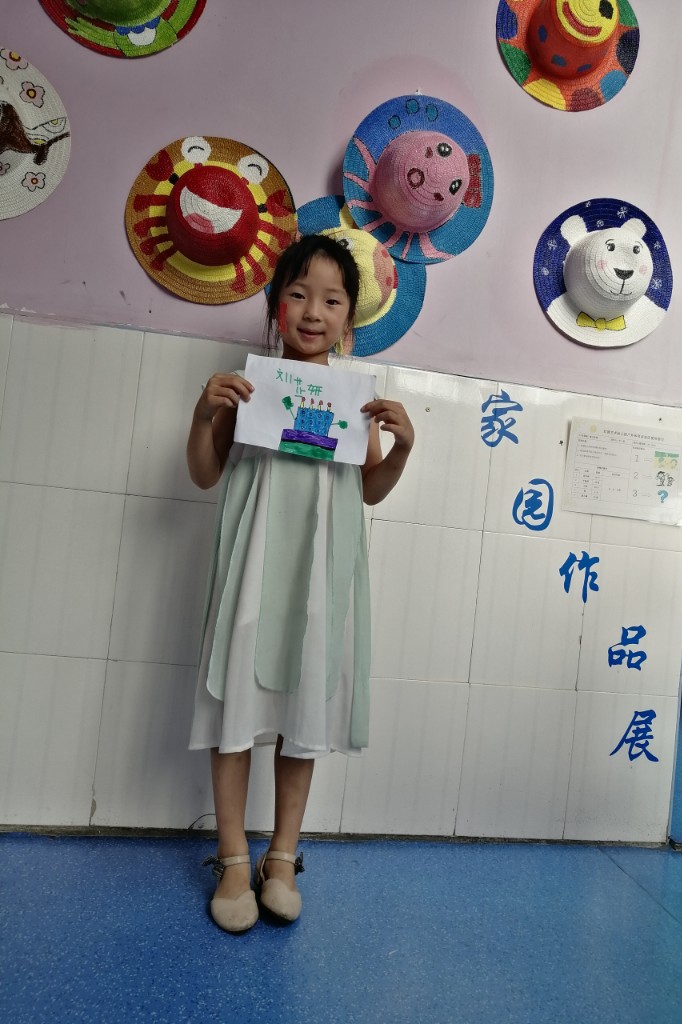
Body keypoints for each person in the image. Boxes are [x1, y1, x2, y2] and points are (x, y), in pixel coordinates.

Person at [186, 234, 414, 933]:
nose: (313, 311)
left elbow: (369, 489)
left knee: (305, 710)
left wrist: (402, 447)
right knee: (234, 702)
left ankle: (281, 858)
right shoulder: (248, 387)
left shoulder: (355, 402)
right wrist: (204, 413)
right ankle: (233, 859)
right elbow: (204, 473)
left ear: (349, 321)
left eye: (332, 300)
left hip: (321, 570)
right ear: (274, 306)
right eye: (298, 294)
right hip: (253, 562)